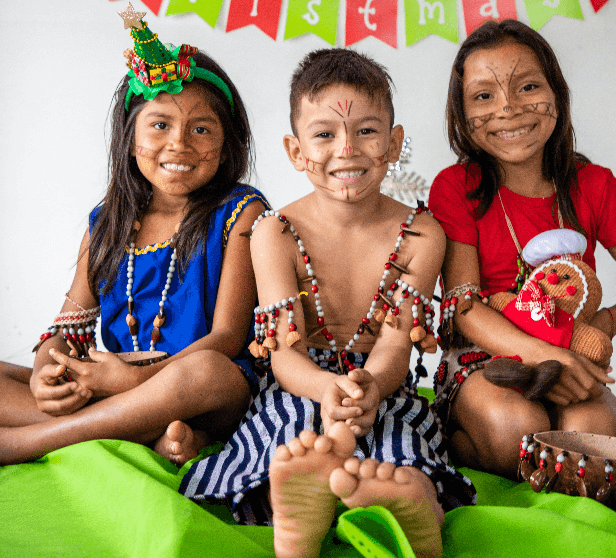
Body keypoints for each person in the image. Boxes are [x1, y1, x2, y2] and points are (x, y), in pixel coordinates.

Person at [0, 5, 267, 466]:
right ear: (130, 138)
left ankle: (5, 443)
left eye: (201, 129)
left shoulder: (242, 212)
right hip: (113, 386)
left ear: (226, 144)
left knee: (208, 372)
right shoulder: (108, 223)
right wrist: (46, 371)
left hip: (199, 391)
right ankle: (141, 435)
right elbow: (67, 329)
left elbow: (227, 338)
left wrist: (137, 380)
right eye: (160, 125)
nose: (179, 143)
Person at [180, 49, 475, 558]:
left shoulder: (422, 233)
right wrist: (325, 389)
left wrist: (369, 388)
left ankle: (414, 502)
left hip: (382, 382)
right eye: (324, 134)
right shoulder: (273, 232)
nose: (347, 149)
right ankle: (299, 508)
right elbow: (283, 354)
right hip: (299, 383)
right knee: (289, 433)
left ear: (394, 142)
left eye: (366, 131)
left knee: (401, 437)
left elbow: (395, 348)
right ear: (296, 151)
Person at [428, 19, 616, 480]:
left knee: (595, 441)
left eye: (528, 87)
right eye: (484, 96)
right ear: (461, 113)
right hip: (486, 358)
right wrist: (540, 354)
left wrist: (598, 329)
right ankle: (455, 434)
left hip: (571, 352)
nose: (508, 108)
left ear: (557, 92)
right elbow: (463, 306)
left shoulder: (595, 184)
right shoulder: (456, 186)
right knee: (517, 433)